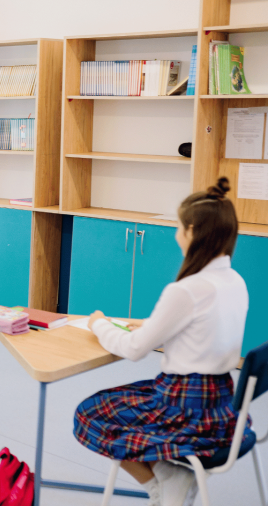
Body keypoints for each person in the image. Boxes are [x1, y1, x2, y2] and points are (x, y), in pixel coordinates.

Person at [73, 178, 255, 506]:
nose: (175, 236)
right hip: (223, 407)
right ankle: (170, 474)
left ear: (192, 232)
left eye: (178, 228)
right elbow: (203, 325)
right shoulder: (235, 281)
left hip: (183, 407)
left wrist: (97, 323)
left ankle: (161, 483)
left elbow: (133, 349)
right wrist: (151, 323)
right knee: (119, 403)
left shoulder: (185, 290)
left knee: (90, 413)